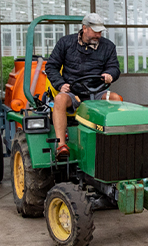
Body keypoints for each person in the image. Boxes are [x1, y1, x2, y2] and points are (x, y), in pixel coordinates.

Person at [45, 13, 122, 160]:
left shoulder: (108, 47)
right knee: (60, 100)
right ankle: (61, 144)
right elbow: (51, 67)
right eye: (95, 31)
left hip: (97, 91)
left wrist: (110, 74)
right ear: (84, 28)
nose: (98, 35)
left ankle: (113, 142)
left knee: (116, 98)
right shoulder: (66, 43)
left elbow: (114, 67)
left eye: (100, 32)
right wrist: (61, 84)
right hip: (74, 93)